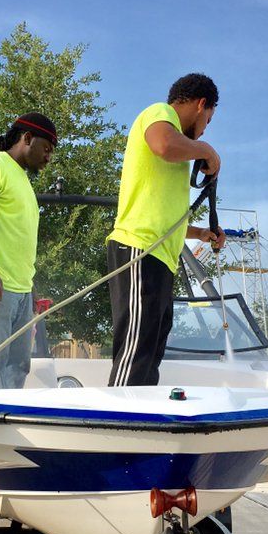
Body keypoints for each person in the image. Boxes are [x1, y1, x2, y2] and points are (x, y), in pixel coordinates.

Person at [106, 73, 226, 386]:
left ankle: (140, 425)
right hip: (139, 249)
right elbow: (162, 144)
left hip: (158, 257)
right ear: (201, 105)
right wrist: (207, 150)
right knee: (136, 353)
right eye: (208, 120)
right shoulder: (159, 113)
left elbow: (163, 216)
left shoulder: (179, 151)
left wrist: (200, 234)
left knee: (150, 353)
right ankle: (119, 426)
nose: (204, 128)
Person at [0, 112, 57, 389]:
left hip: (21, 291)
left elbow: (18, 238)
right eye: (47, 149)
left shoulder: (23, 180)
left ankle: (6, 428)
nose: (48, 157)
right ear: (27, 138)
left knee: (18, 368)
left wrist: (30, 289)